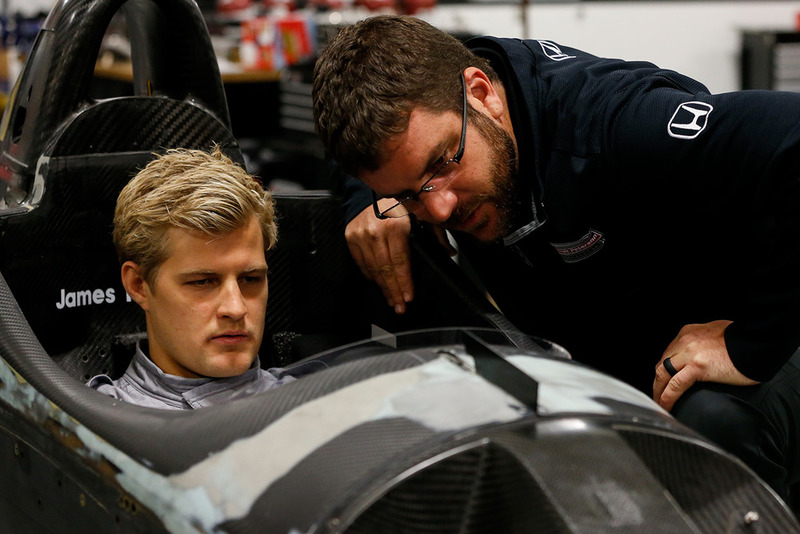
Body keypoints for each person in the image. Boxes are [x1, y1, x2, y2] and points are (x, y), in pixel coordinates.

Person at [312, 15, 800, 497]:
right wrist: (374, 207)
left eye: (443, 163)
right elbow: (368, 159)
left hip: (767, 331)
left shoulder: (616, 125)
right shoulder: (444, 105)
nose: (438, 207)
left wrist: (751, 344)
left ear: (481, 94)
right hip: (627, 343)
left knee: (711, 419)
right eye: (409, 192)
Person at [88, 146, 300, 409]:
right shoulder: (95, 422)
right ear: (139, 285)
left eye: (250, 279)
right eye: (203, 282)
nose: (236, 309)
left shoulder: (316, 405)